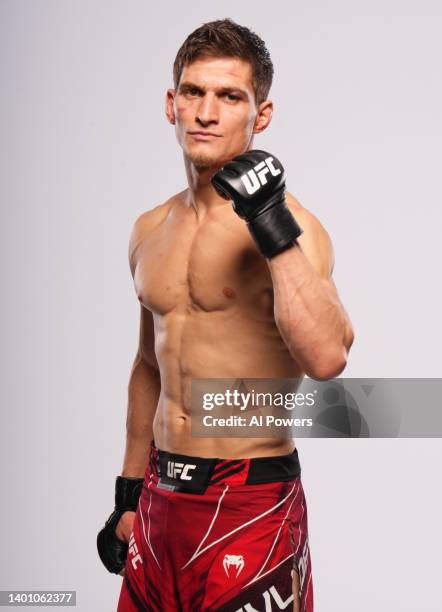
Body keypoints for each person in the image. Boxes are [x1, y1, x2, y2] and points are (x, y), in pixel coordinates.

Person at [97, 18, 354, 612]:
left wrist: (271, 225)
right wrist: (129, 490)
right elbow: (147, 364)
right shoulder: (148, 230)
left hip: (249, 503)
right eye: (194, 92)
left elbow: (327, 358)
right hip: (162, 498)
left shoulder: (296, 230)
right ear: (172, 103)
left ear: (260, 116)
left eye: (230, 96)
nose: (207, 113)